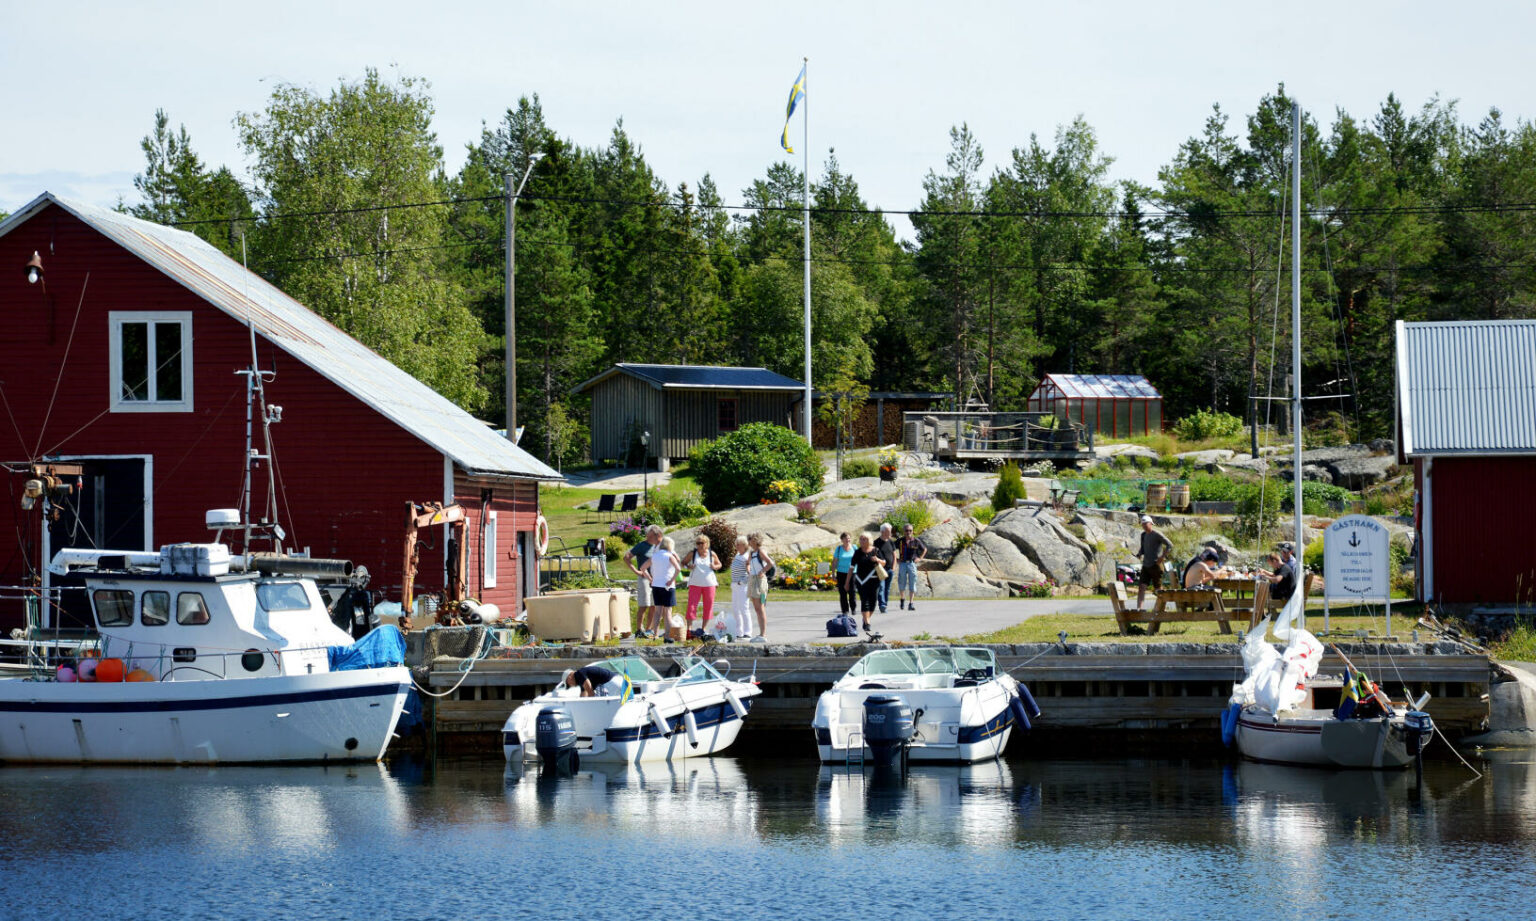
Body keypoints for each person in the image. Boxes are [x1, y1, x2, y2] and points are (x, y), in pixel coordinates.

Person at [639, 536, 683, 642]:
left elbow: (642, 568)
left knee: (658, 611)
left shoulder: (654, 556)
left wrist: (650, 579)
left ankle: (655, 634)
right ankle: (667, 636)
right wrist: (672, 579)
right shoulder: (669, 556)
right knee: (668, 611)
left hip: (656, 585)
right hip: (667, 586)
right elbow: (678, 569)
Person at [623, 525, 662, 637]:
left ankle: (649, 629)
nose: (648, 538)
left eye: (650, 536)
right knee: (644, 604)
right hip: (644, 578)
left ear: (656, 535)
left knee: (654, 605)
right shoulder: (641, 545)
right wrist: (635, 570)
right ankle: (639, 630)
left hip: (656, 578)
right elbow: (626, 557)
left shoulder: (659, 546)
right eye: (647, 536)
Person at [682, 535, 722, 639]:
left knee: (708, 606)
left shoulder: (711, 554)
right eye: (698, 543)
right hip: (695, 583)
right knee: (691, 606)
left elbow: (719, 564)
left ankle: (703, 629)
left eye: (702, 543)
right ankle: (689, 630)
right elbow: (683, 563)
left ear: (707, 544)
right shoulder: (693, 553)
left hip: (710, 584)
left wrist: (714, 567)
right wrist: (688, 566)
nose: (699, 545)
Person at [845, 532, 883, 634]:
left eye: (864, 539)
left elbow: (884, 562)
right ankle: (867, 623)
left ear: (869, 540)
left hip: (874, 580)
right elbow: (851, 568)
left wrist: (877, 559)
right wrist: (847, 582)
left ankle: (866, 618)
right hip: (861, 581)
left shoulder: (876, 550)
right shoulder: (857, 552)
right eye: (861, 539)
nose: (861, 541)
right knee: (864, 601)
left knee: (873, 602)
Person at [1134, 514, 1173, 611]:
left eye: (1146, 524)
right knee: (1142, 587)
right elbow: (1143, 548)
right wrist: (1139, 554)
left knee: (1158, 589)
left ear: (1151, 523)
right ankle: (1139, 608)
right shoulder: (1143, 535)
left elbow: (1170, 545)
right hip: (1146, 565)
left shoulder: (1157, 534)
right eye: (1142, 524)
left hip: (1156, 565)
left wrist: (1162, 557)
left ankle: (1162, 608)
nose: (1144, 526)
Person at [745, 532, 777, 642]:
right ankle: (761, 634)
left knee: (760, 608)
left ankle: (763, 635)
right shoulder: (752, 553)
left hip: (760, 581)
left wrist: (762, 571)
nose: (750, 541)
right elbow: (748, 563)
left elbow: (770, 563)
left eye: (752, 539)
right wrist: (749, 570)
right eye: (749, 539)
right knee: (757, 608)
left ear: (756, 541)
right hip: (753, 579)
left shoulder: (760, 551)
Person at [727, 535, 752, 642]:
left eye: (739, 544)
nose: (736, 546)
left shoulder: (747, 556)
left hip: (743, 585)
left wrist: (741, 582)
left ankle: (748, 632)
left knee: (744, 608)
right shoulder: (738, 555)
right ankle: (739, 632)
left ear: (745, 545)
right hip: (735, 585)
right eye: (736, 544)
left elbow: (749, 572)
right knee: (735, 609)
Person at [896, 524, 926, 611]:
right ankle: (902, 599)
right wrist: (896, 559)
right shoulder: (900, 541)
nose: (908, 532)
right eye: (906, 530)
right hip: (902, 564)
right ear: (904, 531)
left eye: (910, 530)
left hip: (912, 564)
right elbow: (892, 549)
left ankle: (911, 603)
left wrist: (920, 558)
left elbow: (924, 549)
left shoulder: (916, 541)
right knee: (902, 582)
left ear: (912, 531)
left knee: (913, 582)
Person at [565, 663, 631, 699]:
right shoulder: (581, 678)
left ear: (569, 678)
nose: (571, 686)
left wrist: (591, 699)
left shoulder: (579, 674)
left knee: (606, 705)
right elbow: (583, 696)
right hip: (620, 680)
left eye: (569, 684)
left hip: (611, 683)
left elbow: (590, 690)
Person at [872, 523, 897, 614]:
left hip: (890, 569)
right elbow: (873, 556)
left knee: (887, 588)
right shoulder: (876, 543)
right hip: (880, 569)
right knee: (881, 587)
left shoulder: (891, 542)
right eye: (888, 531)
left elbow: (894, 555)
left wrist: (894, 567)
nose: (890, 532)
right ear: (882, 532)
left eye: (890, 531)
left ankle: (885, 604)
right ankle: (882, 605)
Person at [1265, 541, 1300, 607]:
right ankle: (1264, 613)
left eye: (1285, 552)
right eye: (1282, 551)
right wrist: (1264, 572)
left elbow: (1278, 578)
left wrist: (1266, 577)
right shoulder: (1282, 563)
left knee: (1264, 589)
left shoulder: (1289, 565)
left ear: (1291, 552)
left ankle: (1263, 611)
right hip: (1283, 589)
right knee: (1265, 588)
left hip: (1286, 592)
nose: (1283, 553)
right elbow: (1275, 575)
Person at [832, 532, 857, 617]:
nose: (848, 540)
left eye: (849, 538)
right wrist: (833, 574)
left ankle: (853, 608)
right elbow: (834, 562)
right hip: (841, 572)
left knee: (852, 591)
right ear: (842, 540)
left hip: (853, 572)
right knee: (842, 592)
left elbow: (859, 559)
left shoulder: (854, 548)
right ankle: (845, 610)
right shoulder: (839, 549)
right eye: (846, 538)